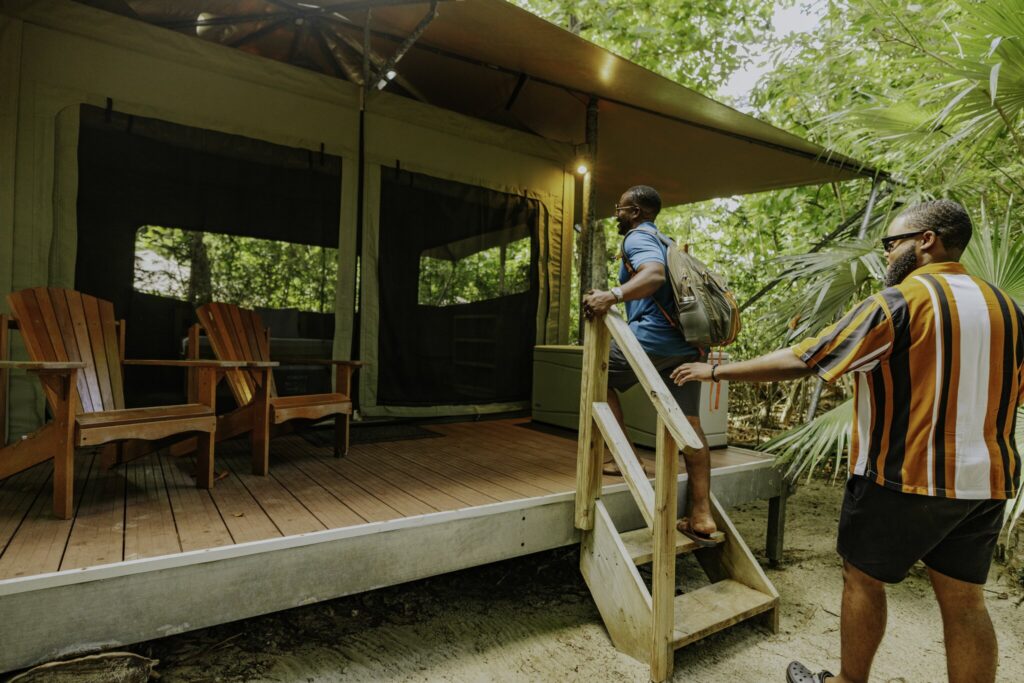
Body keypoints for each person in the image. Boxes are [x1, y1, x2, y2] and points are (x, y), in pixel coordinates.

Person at [671, 199, 1023, 683]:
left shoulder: (900, 301)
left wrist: (714, 369)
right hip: (987, 481)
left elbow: (808, 358)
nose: (886, 254)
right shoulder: (1009, 308)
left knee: (861, 578)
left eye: (892, 242)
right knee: (965, 599)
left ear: (926, 241)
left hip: (901, 475)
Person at [581, 185, 716, 544]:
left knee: (595, 373)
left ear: (637, 211)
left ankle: (624, 456)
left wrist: (612, 295)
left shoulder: (637, 238)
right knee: (690, 424)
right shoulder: (666, 239)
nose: (617, 214)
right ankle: (701, 513)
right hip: (687, 346)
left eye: (621, 208)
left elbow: (653, 275)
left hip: (652, 340)